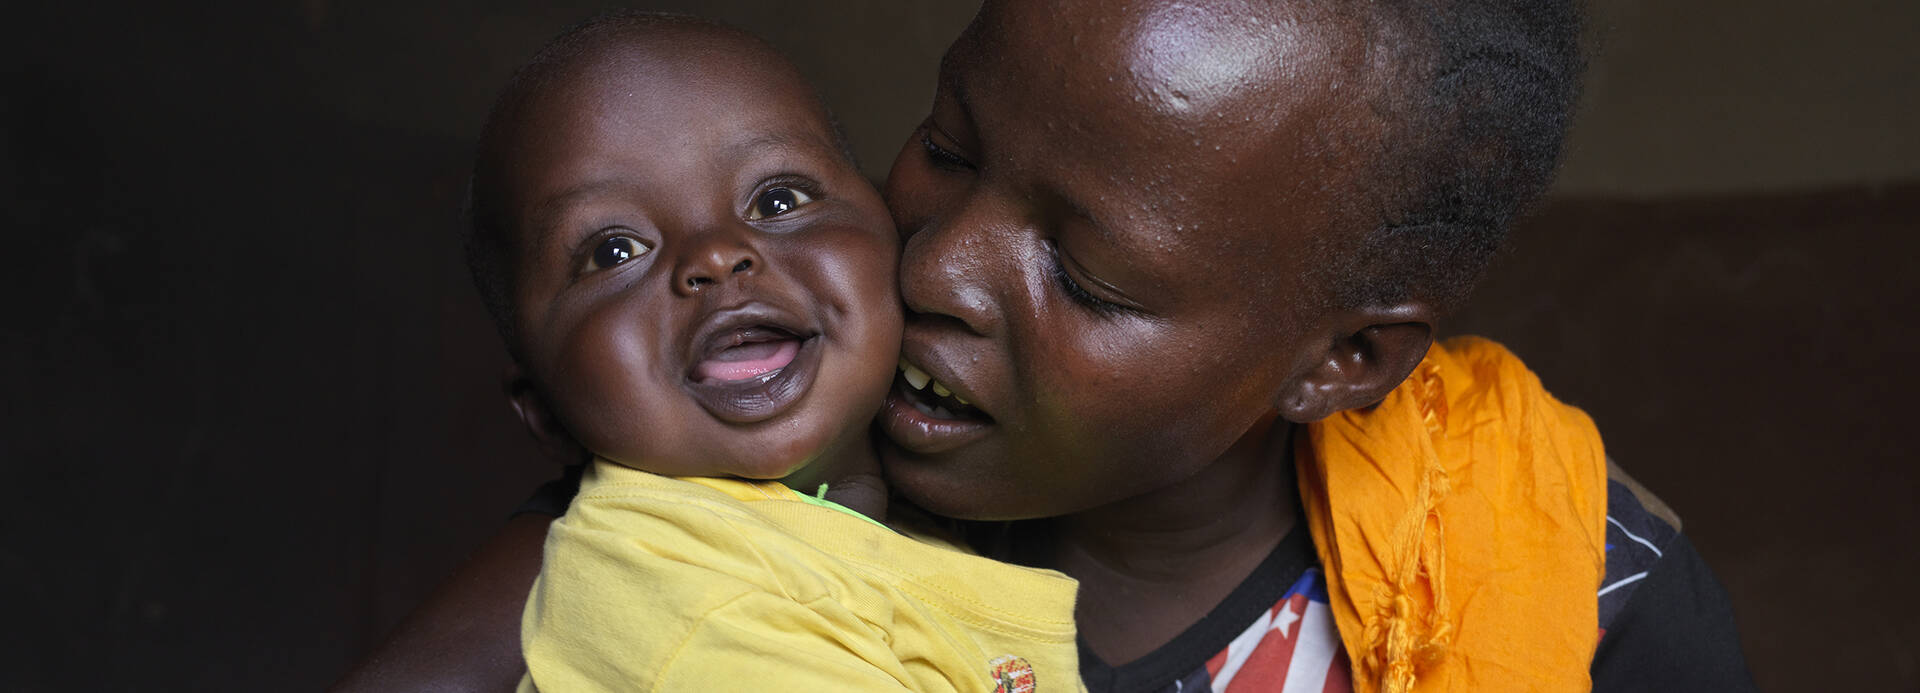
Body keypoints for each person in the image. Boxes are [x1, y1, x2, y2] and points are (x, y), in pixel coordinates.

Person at [334, 1, 1753, 691]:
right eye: (948, 148)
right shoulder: (750, 472)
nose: (938, 265)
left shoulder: (1579, 602)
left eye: (1083, 274)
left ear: (1344, 362)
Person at [453, 12, 1085, 692]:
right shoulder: (687, 596)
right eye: (613, 251)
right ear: (545, 412)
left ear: (891, 233)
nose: (717, 255)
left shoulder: (937, 513)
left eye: (778, 198)